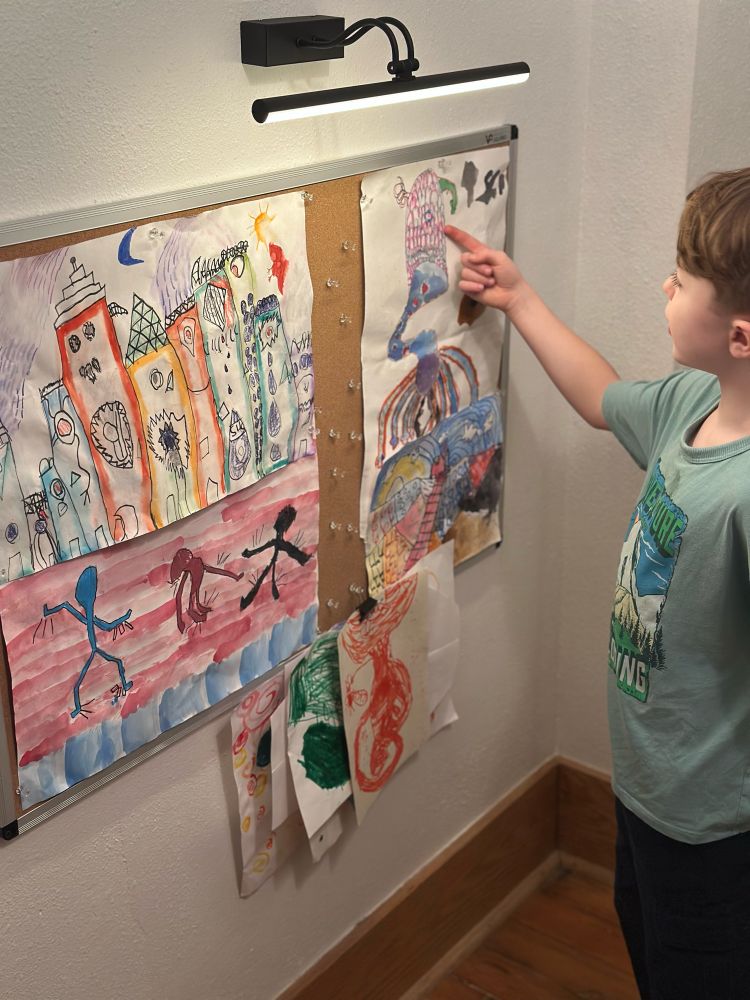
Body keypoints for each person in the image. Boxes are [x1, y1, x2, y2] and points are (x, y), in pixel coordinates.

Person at [446, 166, 750, 1000]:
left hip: (715, 825)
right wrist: (521, 299)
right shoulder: (696, 400)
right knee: (647, 941)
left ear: (741, 335)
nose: (665, 284)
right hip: (649, 785)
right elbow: (601, 397)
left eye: (682, 280)